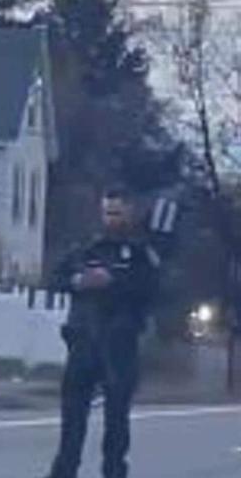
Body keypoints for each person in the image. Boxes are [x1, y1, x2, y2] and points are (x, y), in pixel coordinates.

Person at [43, 187, 160, 478]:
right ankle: (64, 470)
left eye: (117, 213)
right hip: (83, 340)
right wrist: (79, 280)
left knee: (116, 417)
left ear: (129, 213)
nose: (111, 219)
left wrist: (114, 282)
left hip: (120, 342)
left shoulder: (139, 253)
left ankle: (114, 471)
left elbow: (152, 288)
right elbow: (55, 278)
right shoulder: (86, 249)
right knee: (72, 414)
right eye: (107, 212)